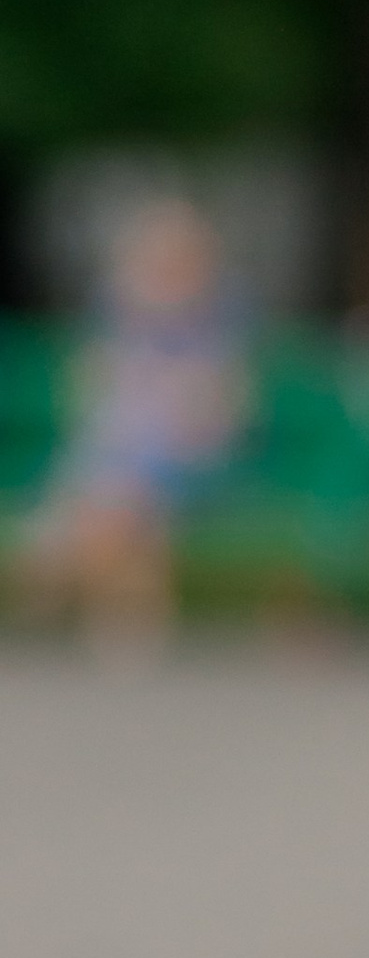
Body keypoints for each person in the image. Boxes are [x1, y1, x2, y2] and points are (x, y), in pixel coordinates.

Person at [10, 194, 247, 635]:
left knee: (117, 497)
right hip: (115, 454)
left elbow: (218, 417)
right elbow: (89, 399)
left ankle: (89, 599)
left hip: (183, 459)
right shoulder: (116, 321)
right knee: (106, 489)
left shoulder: (216, 326)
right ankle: (113, 612)